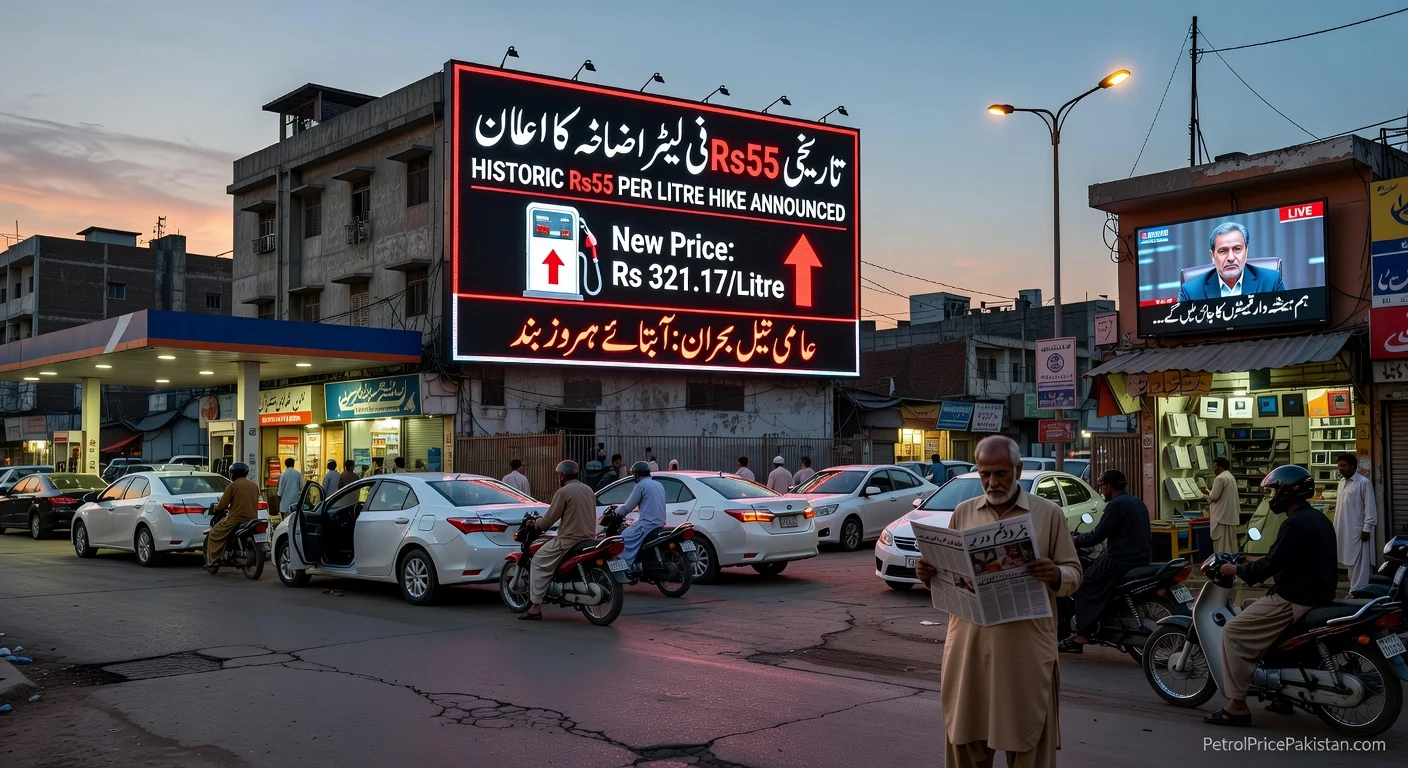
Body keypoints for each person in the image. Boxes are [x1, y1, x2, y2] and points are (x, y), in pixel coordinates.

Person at [914, 435, 1081, 768]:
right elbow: (950, 573)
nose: (992, 482)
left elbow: (1074, 573)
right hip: (969, 650)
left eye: (1001, 473)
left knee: (1028, 743)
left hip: (1025, 652)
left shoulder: (1048, 514)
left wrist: (1055, 574)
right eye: (985, 474)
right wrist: (928, 572)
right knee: (965, 740)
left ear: (1018, 470)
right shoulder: (963, 512)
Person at [1204, 464, 1337, 727]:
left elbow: (1271, 564)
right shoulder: (1317, 519)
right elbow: (1285, 558)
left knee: (1233, 631)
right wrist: (1252, 562)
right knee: (1251, 605)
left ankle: (1237, 705)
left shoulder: (1294, 523)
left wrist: (1236, 569)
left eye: (1275, 491)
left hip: (1295, 597)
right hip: (1317, 593)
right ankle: (1282, 695)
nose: (1273, 497)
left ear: (1288, 491)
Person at [1060, 469, 1152, 653]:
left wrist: (1075, 540)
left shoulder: (1116, 505)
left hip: (1121, 560)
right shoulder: (1136, 501)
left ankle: (1082, 635)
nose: (1100, 490)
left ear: (1109, 487)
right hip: (1141, 557)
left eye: (1101, 486)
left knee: (1084, 583)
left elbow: (1098, 535)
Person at [520, 460, 598, 620]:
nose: (558, 478)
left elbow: (548, 521)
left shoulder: (563, 492)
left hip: (568, 541)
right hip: (589, 537)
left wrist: (536, 523)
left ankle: (535, 607)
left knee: (538, 560)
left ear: (562, 475)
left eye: (558, 475)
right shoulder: (588, 489)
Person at [1178, 222, 1286, 302]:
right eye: (1223, 251)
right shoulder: (1190, 292)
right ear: (1212, 256)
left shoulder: (1271, 282)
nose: (1231, 258)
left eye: (1237, 249)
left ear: (1246, 251)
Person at [1333, 452, 1377, 592]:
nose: (1341, 469)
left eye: (1344, 466)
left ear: (1353, 466)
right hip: (1344, 529)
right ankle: (1353, 590)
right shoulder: (1341, 483)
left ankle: (1359, 591)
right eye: (1339, 466)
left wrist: (1367, 528)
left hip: (1359, 530)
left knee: (1360, 563)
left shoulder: (1364, 483)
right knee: (1350, 561)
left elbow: (1370, 507)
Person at [205, 462, 260, 569]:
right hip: (252, 518)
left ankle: (213, 560)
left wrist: (216, 508)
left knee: (214, 533)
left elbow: (223, 505)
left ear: (233, 474)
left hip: (235, 519)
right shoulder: (254, 486)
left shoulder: (232, 486)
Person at [615, 461, 666, 573]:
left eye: (634, 474)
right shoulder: (658, 484)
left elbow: (628, 507)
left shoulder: (641, 485)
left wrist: (617, 512)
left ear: (637, 474)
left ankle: (625, 567)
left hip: (647, 524)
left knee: (623, 537)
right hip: (660, 523)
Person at [1204, 457, 1240, 554]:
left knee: (1222, 547)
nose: (1214, 469)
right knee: (1231, 546)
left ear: (1220, 467)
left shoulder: (1219, 478)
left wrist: (1203, 495)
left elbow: (1214, 497)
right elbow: (1221, 495)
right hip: (1230, 516)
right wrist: (1208, 491)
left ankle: (1222, 563)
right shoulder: (1230, 477)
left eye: (1214, 466)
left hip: (1221, 517)